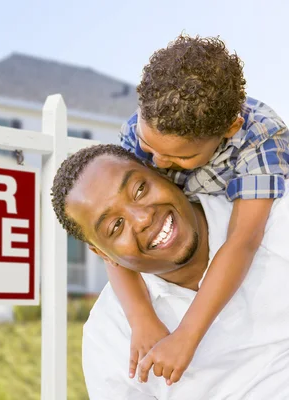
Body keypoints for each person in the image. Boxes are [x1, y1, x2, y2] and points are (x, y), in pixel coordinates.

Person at [111, 34, 289, 384]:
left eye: (181, 156)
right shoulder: (138, 130)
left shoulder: (262, 138)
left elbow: (243, 240)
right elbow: (106, 234)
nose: (157, 162)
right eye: (149, 146)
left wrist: (186, 336)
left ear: (229, 129)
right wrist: (141, 317)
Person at [51, 144, 289, 399]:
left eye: (140, 189)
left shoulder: (275, 217)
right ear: (103, 254)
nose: (142, 218)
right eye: (116, 226)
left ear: (161, 172)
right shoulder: (110, 335)